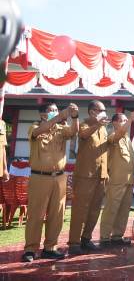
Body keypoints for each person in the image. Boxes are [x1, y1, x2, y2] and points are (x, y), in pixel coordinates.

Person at [21, 102, 79, 263]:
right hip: (40, 177)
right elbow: (39, 131)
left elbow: (74, 131)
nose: (55, 112)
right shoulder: (34, 127)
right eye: (51, 110)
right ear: (42, 114)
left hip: (59, 177)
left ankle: (50, 248)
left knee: (57, 214)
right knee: (36, 215)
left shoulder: (61, 128)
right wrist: (60, 116)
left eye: (56, 110)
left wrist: (74, 117)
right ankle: (30, 249)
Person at [68, 100, 109, 255]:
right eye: (101, 110)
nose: (104, 112)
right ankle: (74, 242)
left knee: (94, 210)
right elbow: (84, 135)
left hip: (100, 176)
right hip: (85, 175)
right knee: (80, 210)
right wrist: (98, 124)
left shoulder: (104, 129)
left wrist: (106, 172)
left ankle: (86, 238)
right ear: (93, 112)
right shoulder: (84, 124)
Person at [99, 110, 134, 247]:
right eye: (122, 121)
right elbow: (118, 135)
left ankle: (117, 236)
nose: (124, 123)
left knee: (123, 210)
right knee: (111, 208)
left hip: (127, 180)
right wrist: (131, 120)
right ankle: (104, 237)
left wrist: (133, 177)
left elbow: (129, 161)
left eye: (125, 120)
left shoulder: (127, 138)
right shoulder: (112, 136)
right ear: (115, 123)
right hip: (116, 180)